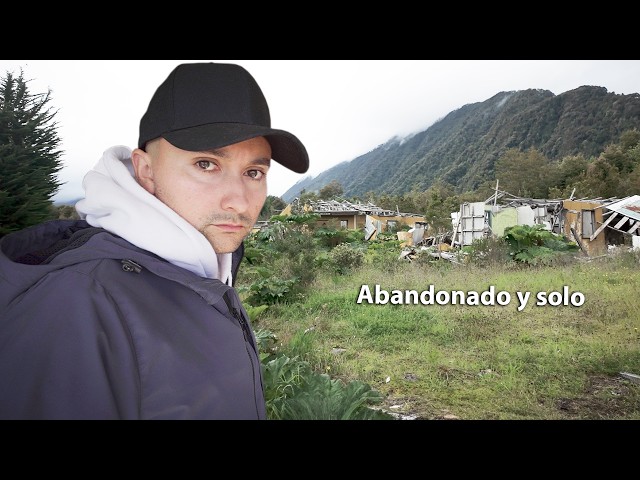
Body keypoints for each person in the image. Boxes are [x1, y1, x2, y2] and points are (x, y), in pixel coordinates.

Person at [0, 62, 309, 419]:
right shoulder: (75, 306)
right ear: (146, 170)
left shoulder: (204, 270)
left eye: (254, 172)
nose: (239, 200)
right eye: (206, 165)